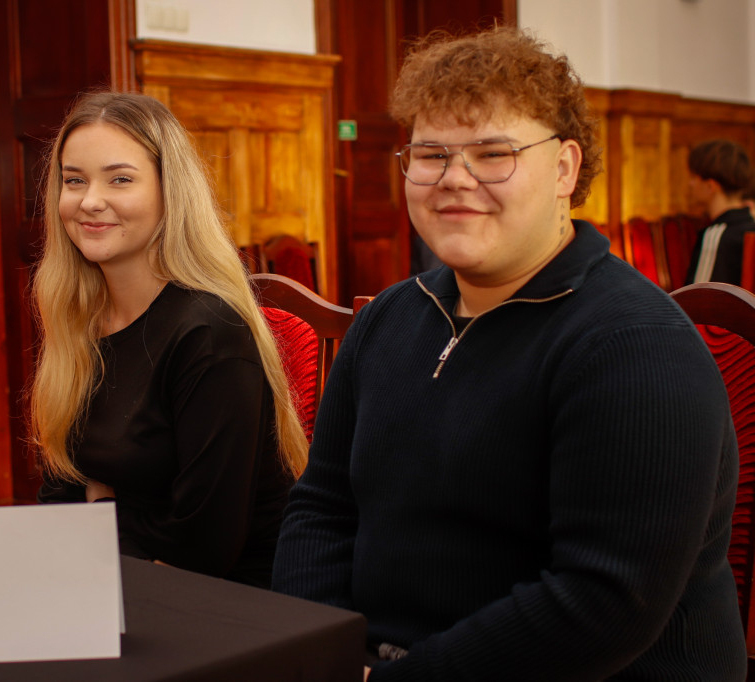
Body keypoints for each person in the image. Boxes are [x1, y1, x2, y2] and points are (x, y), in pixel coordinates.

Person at [272, 27, 745, 681]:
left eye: (493, 154)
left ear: (565, 169)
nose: (454, 179)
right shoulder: (387, 318)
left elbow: (602, 604)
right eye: (431, 154)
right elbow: (322, 505)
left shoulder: (636, 346)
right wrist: (320, 650)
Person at [31, 91, 308, 588]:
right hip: (119, 578)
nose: (89, 201)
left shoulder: (210, 332)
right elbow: (62, 490)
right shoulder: (80, 318)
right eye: (74, 180)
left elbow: (202, 550)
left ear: (169, 193)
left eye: (120, 179)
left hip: (228, 602)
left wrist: (106, 507)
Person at [684, 139, 755, 284]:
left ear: (710, 186)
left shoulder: (716, 235)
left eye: (694, 177)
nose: (690, 184)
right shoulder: (751, 224)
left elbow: (699, 295)